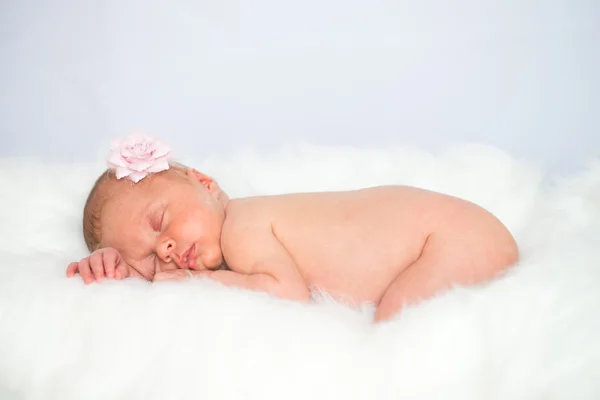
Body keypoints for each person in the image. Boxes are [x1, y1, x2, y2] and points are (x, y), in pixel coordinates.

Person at [67, 132, 519, 322]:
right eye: (147, 256)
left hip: (447, 239)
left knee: (396, 328)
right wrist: (115, 266)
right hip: (451, 232)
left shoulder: (243, 226)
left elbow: (287, 292)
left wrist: (198, 280)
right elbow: (138, 282)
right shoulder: (236, 238)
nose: (164, 249)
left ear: (204, 183)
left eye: (159, 222)